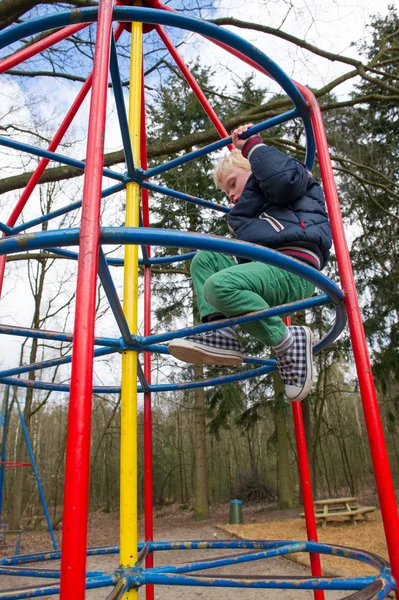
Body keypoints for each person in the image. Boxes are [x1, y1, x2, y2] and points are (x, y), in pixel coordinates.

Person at [168, 123, 332, 402]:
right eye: (226, 191)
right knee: (205, 259)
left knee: (220, 286)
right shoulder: (249, 213)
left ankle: (287, 342)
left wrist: (253, 146)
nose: (231, 195)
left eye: (233, 183)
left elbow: (280, 178)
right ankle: (222, 333)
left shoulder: (287, 182)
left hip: (296, 269)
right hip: (269, 270)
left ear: (255, 168)